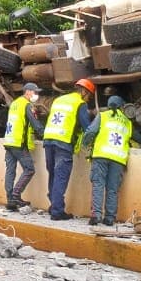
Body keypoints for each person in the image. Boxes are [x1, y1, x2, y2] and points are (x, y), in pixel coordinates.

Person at [42, 78, 96, 221]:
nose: (88, 98)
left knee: (53, 174)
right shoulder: (80, 103)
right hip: (63, 142)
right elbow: (87, 127)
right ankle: (57, 212)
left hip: (48, 140)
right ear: (84, 92)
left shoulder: (59, 100)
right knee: (60, 176)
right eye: (89, 95)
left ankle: (54, 205)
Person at [84, 95, 135, 226]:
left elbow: (90, 132)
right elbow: (136, 137)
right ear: (121, 107)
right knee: (112, 188)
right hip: (118, 159)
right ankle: (110, 218)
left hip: (101, 155)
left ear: (108, 105)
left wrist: (85, 143)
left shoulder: (103, 115)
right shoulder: (127, 122)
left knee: (98, 185)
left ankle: (96, 216)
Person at [2, 83, 45, 212]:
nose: (36, 95)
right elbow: (35, 123)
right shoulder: (26, 105)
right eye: (35, 92)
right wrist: (45, 134)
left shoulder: (15, 103)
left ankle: (10, 201)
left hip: (9, 141)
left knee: (10, 171)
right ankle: (16, 195)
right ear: (27, 92)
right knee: (30, 169)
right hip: (18, 143)